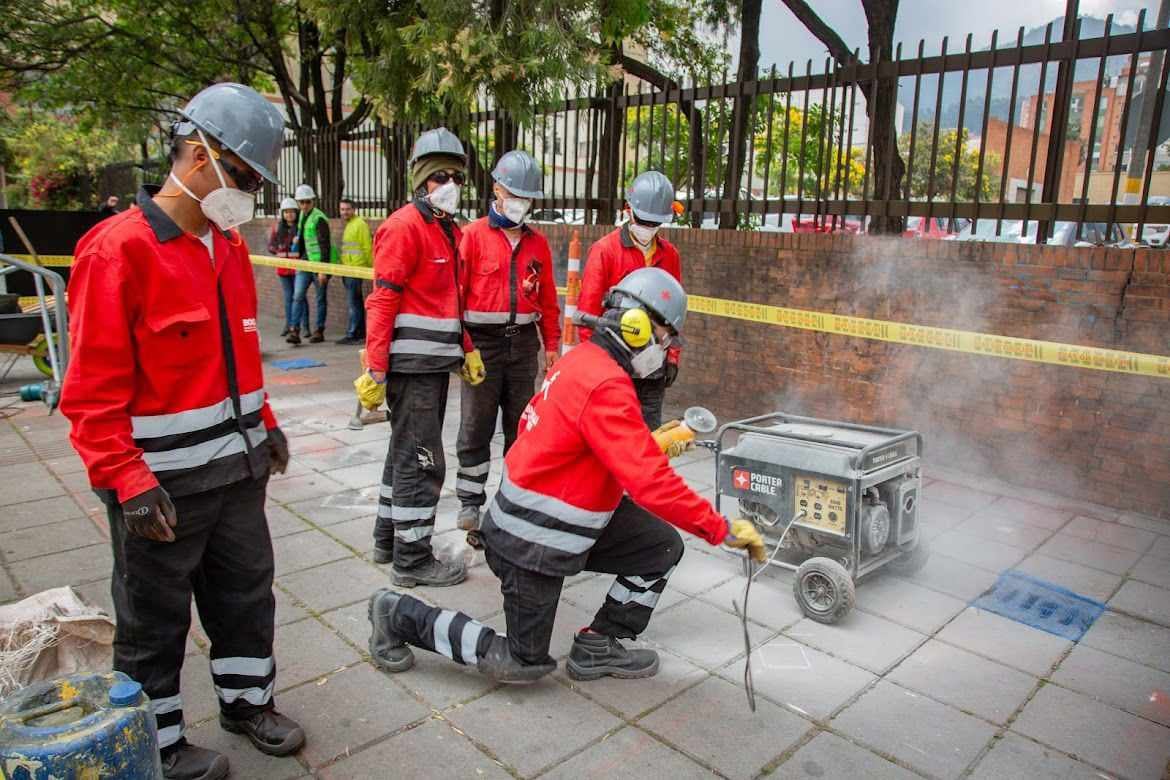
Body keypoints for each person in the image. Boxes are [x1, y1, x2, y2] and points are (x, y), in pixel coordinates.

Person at [59, 82, 305, 780]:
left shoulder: (224, 248)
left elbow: (240, 354)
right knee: (153, 619)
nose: (250, 194)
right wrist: (127, 482)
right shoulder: (117, 252)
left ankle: (247, 703)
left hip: (237, 474)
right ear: (200, 157)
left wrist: (265, 424)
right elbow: (91, 392)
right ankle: (157, 740)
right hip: (160, 487)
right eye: (246, 177)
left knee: (245, 595)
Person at [365, 268, 765, 684]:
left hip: (557, 523)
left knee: (659, 547)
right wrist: (720, 529)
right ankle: (398, 615)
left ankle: (598, 644)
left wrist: (645, 445)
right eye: (665, 339)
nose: (664, 351)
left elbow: (575, 440)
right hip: (532, 541)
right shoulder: (606, 384)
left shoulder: (585, 360)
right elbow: (651, 483)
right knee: (522, 661)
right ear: (638, 326)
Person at [353, 126, 483, 587]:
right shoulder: (404, 227)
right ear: (420, 180)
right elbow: (382, 299)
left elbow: (450, 301)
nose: (450, 185)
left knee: (402, 454)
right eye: (439, 177)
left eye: (457, 177)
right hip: (412, 369)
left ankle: (388, 541)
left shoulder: (446, 231)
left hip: (433, 366)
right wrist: (375, 368)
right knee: (423, 460)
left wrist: (466, 349)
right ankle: (412, 559)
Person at [454, 150, 560, 540]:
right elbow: (455, 299)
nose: (520, 203)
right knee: (475, 427)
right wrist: (465, 347)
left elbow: (548, 300)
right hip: (482, 347)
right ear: (497, 189)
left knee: (521, 430)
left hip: (523, 347)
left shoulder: (538, 245)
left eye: (527, 197)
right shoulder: (472, 237)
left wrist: (552, 346)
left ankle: (510, 504)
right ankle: (470, 502)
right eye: (515, 194)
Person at [577, 170, 682, 429]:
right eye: (643, 220)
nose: (647, 227)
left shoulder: (670, 256)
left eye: (653, 223)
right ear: (628, 209)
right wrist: (597, 367)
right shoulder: (605, 251)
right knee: (611, 435)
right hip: (613, 367)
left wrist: (672, 357)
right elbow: (588, 314)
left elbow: (674, 315)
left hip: (653, 368)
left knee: (648, 436)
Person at [286, 183, 335, 344]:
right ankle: (294, 331)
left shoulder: (319, 218)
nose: (305, 205)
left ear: (313, 201)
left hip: (318, 265)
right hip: (305, 263)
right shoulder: (302, 215)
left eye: (308, 202)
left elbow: (325, 246)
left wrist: (323, 270)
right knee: (297, 296)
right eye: (302, 202)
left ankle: (319, 331)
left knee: (320, 299)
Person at [336, 197, 373, 345]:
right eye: (342, 209)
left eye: (347, 209)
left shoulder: (359, 224)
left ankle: (353, 334)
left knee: (353, 303)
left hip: (355, 270)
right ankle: (360, 333)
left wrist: (371, 269)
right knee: (355, 302)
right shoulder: (350, 224)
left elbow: (367, 247)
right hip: (348, 269)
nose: (344, 212)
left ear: (353, 209)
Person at [268, 197, 305, 338]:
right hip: (283, 269)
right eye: (286, 212)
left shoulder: (300, 228)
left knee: (299, 297)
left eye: (292, 211)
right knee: (289, 298)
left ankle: (304, 326)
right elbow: (271, 246)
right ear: (282, 213)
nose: (289, 214)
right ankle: (289, 325)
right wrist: (280, 250)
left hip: (297, 268)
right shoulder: (278, 228)